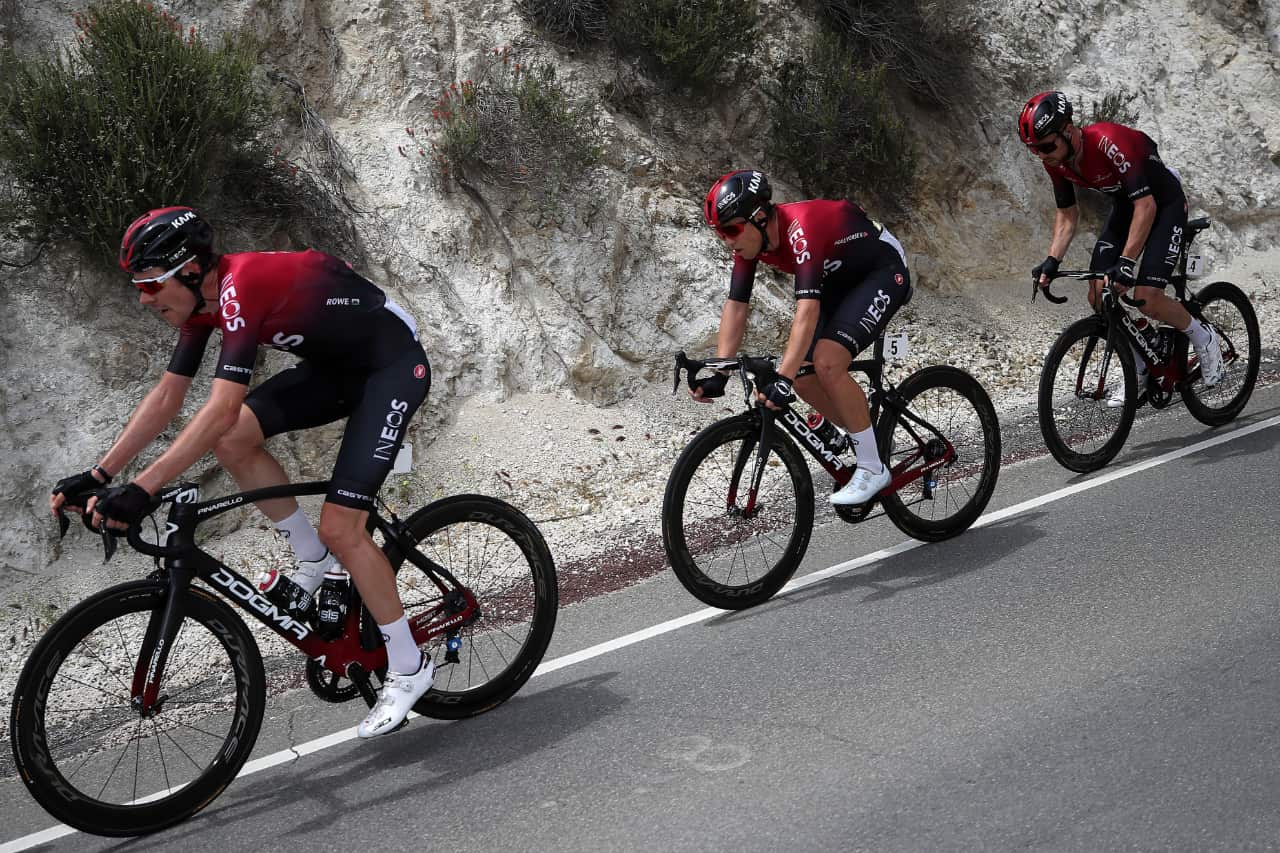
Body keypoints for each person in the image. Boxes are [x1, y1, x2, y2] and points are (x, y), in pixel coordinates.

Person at [49, 207, 433, 738]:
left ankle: (409, 667)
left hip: (391, 368)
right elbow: (167, 397)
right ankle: (311, 558)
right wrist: (99, 473)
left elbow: (221, 405)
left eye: (149, 284)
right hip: (336, 373)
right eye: (137, 287)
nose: (143, 299)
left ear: (188, 269)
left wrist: (143, 488)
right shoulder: (202, 304)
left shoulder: (240, 286)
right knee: (234, 441)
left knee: (342, 527)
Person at [696, 170, 912, 506]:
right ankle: (869, 437)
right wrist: (720, 372)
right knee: (802, 379)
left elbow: (807, 311)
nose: (727, 240)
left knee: (827, 362)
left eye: (731, 229)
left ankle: (872, 467)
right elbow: (737, 304)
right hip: (840, 282)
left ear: (760, 217)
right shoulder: (749, 245)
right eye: (721, 233)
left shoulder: (801, 229)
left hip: (881, 272)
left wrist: (779, 377)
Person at [1019, 91, 1224, 405]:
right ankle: (1141, 367)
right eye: (1035, 150)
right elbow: (1067, 214)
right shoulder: (1056, 162)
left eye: (1046, 146)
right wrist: (1051, 260)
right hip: (1127, 207)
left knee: (1146, 298)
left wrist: (1127, 261)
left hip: (1163, 203)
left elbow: (1146, 204)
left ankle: (1203, 338)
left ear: (1068, 130)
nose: (1042, 155)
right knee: (1097, 294)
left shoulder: (1106, 141)